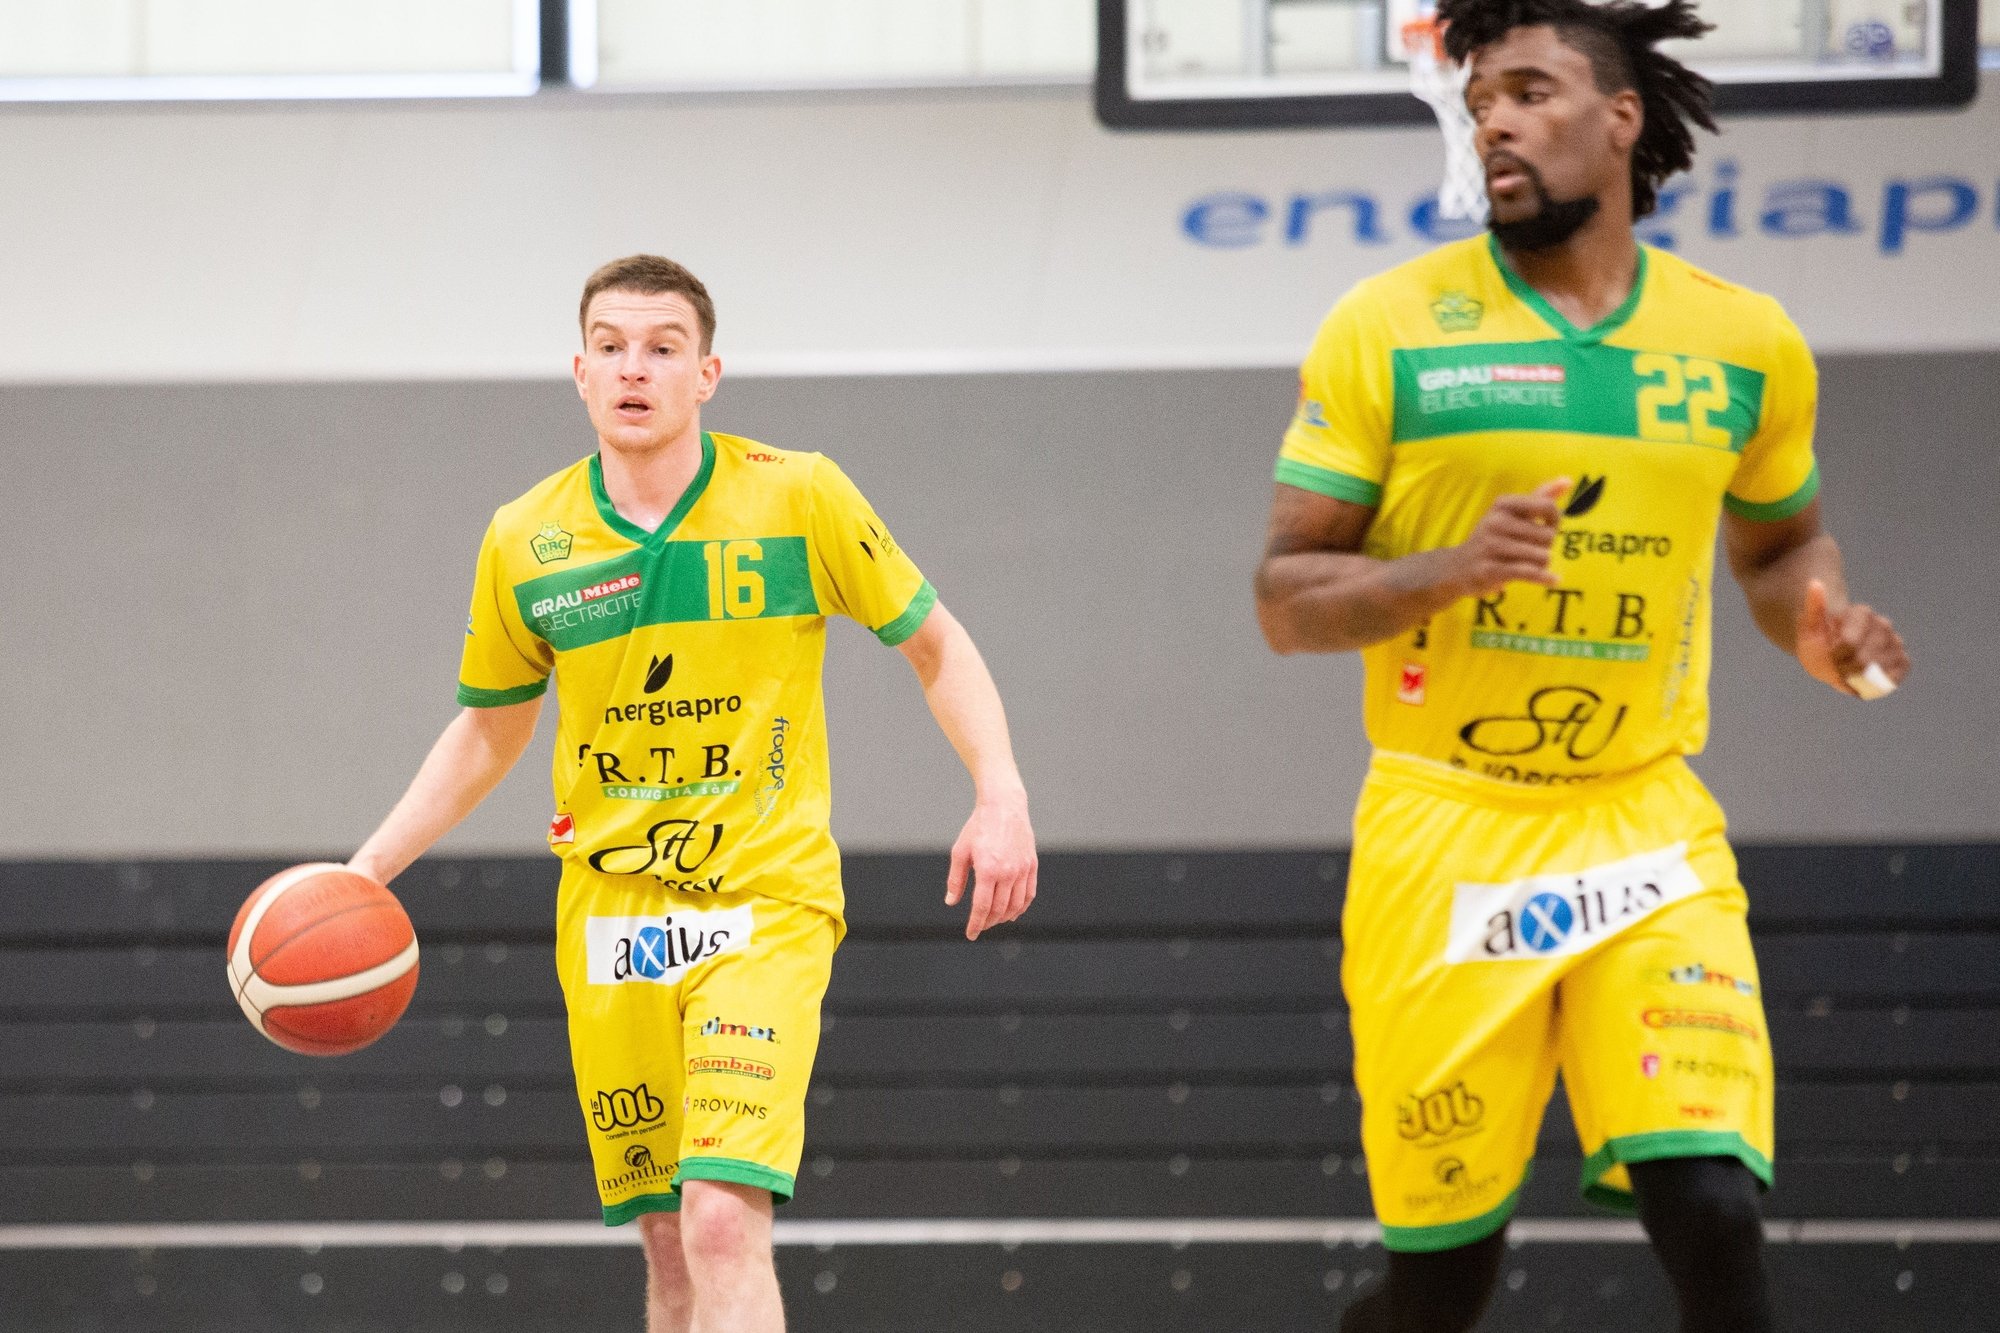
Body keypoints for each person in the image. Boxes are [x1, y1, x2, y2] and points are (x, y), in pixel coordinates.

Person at [1253, 3, 1909, 1330]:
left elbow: (1781, 552)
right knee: (1442, 1286)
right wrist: (1444, 567)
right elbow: (1285, 597)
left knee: (1715, 1210)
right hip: (1449, 827)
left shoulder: (1745, 342)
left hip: (1647, 823)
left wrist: (1825, 625)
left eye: (1532, 91)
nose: (1493, 115)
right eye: (1481, 95)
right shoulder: (1389, 326)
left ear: (1621, 122)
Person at [346, 254, 1038, 1333]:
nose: (636, 368)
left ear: (706, 372)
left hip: (760, 900)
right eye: (612, 347)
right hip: (611, 917)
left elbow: (935, 644)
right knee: (669, 1249)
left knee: (721, 1220)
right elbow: (490, 726)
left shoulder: (797, 492)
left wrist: (1000, 793)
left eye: (663, 347)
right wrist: (364, 872)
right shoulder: (524, 537)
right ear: (578, 372)